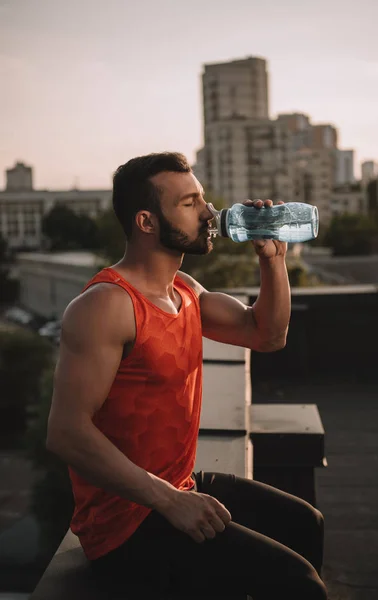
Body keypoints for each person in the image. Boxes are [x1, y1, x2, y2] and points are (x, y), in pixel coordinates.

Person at [46, 152, 327, 600]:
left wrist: (272, 260)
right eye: (190, 203)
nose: (209, 212)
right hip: (126, 523)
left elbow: (267, 334)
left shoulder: (185, 292)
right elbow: (65, 433)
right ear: (146, 221)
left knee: (305, 523)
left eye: (203, 200)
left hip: (179, 485)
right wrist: (170, 500)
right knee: (300, 585)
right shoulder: (106, 306)